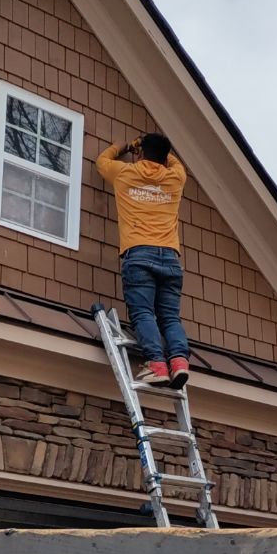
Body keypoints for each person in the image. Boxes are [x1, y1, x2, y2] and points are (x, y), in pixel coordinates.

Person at [96, 131, 191, 389]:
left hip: (139, 254)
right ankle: (180, 361)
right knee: (170, 317)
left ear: (140, 152)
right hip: (170, 258)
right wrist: (153, 149)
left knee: (143, 313)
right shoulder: (175, 177)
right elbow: (174, 163)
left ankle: (157, 365)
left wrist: (122, 146)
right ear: (164, 155)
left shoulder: (125, 173)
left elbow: (102, 162)